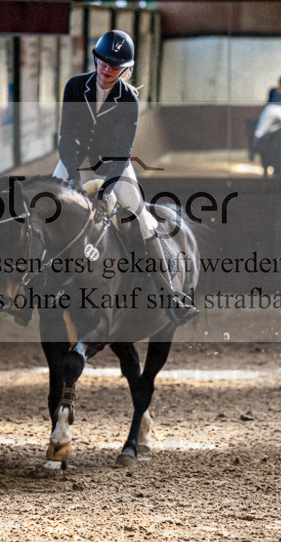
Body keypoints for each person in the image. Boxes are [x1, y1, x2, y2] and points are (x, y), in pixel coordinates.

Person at [53, 30, 198, 324]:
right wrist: (70, 177)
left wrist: (107, 190)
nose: (107, 70)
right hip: (75, 161)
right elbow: (66, 135)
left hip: (113, 167)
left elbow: (122, 151)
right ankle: (31, 285)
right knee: (48, 205)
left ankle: (170, 295)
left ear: (126, 69)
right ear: (96, 59)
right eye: (103, 62)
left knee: (141, 216)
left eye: (115, 66)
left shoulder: (128, 99)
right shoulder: (74, 87)